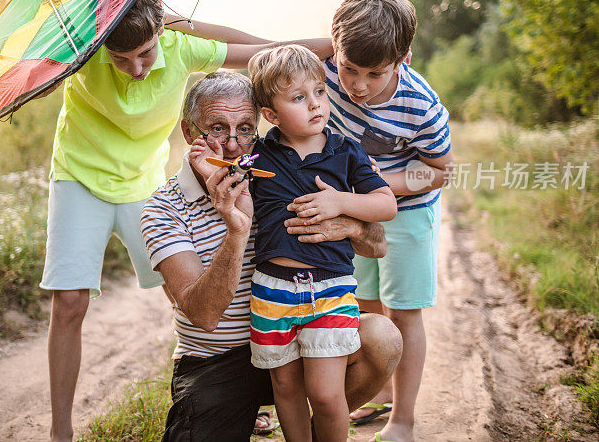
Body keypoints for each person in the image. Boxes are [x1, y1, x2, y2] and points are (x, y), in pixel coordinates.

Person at [40, 0, 332, 441]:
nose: (136, 68)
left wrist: (340, 47)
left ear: (161, 30)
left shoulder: (181, 46)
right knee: (71, 300)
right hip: (79, 174)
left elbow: (260, 52)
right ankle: (61, 430)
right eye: (121, 58)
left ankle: (235, 393)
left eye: (144, 53)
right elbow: (32, 69)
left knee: (182, 290)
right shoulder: (80, 49)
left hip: (141, 178)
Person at [141, 72, 403, 441]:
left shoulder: (273, 167)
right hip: (217, 362)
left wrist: (351, 222)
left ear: (259, 127)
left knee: (382, 337)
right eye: (217, 128)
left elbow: (378, 245)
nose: (233, 145)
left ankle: (316, 430)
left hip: (302, 334)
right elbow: (203, 316)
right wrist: (237, 229)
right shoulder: (162, 209)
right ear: (189, 133)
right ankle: (250, 414)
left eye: (245, 128)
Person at [246, 45, 398, 442]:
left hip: (329, 289)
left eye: (318, 91)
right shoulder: (257, 154)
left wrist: (340, 201)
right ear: (271, 115)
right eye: (298, 98)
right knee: (287, 390)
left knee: (327, 395)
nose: (315, 104)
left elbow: (386, 204)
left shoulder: (346, 151)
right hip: (272, 289)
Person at [324, 0, 453, 442]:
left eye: (374, 74)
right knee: (364, 304)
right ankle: (374, 396)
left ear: (403, 59)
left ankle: (403, 419)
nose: (357, 85)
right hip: (356, 212)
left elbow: (441, 171)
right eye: (348, 69)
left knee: (404, 313)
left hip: (408, 215)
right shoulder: (324, 71)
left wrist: (383, 186)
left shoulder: (422, 107)